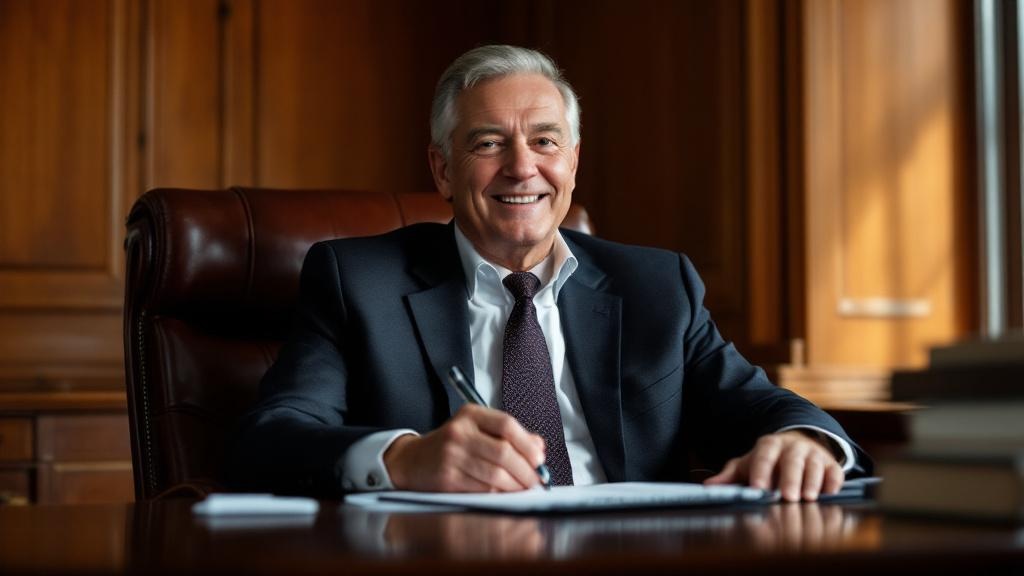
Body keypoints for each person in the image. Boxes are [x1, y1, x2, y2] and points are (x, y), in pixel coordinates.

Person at [230, 45, 870, 502]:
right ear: (443, 170)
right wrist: (401, 458)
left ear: (574, 161)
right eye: (487, 143)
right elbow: (273, 437)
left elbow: (758, 404)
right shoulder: (357, 282)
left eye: (545, 141)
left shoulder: (657, 287)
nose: (521, 167)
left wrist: (805, 440)